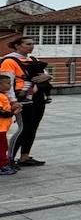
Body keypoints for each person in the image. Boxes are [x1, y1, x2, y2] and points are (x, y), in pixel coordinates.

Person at [2, 35, 52, 167]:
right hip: (21, 98)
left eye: (33, 44)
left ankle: (24, 157)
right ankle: (9, 159)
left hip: (37, 97)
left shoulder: (33, 59)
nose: (32, 46)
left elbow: (45, 74)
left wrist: (48, 76)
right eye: (28, 44)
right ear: (18, 46)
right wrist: (12, 101)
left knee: (33, 127)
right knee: (24, 128)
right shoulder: (9, 61)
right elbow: (6, 83)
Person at [0, 74, 15, 175]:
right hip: (0, 129)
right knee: (2, 147)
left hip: (2, 128)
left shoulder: (3, 95)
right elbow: (2, 112)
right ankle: (2, 166)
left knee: (3, 146)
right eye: (8, 83)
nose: (10, 85)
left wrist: (13, 108)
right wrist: (14, 112)